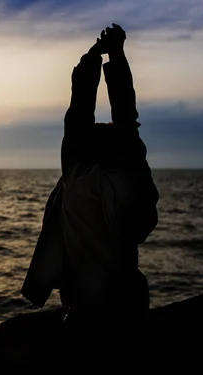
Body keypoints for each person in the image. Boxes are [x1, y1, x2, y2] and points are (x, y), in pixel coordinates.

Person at [20, 24, 159, 321]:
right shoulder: (131, 182)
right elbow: (125, 115)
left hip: (83, 301)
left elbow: (80, 108)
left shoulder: (77, 179)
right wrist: (117, 54)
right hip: (126, 301)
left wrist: (95, 56)